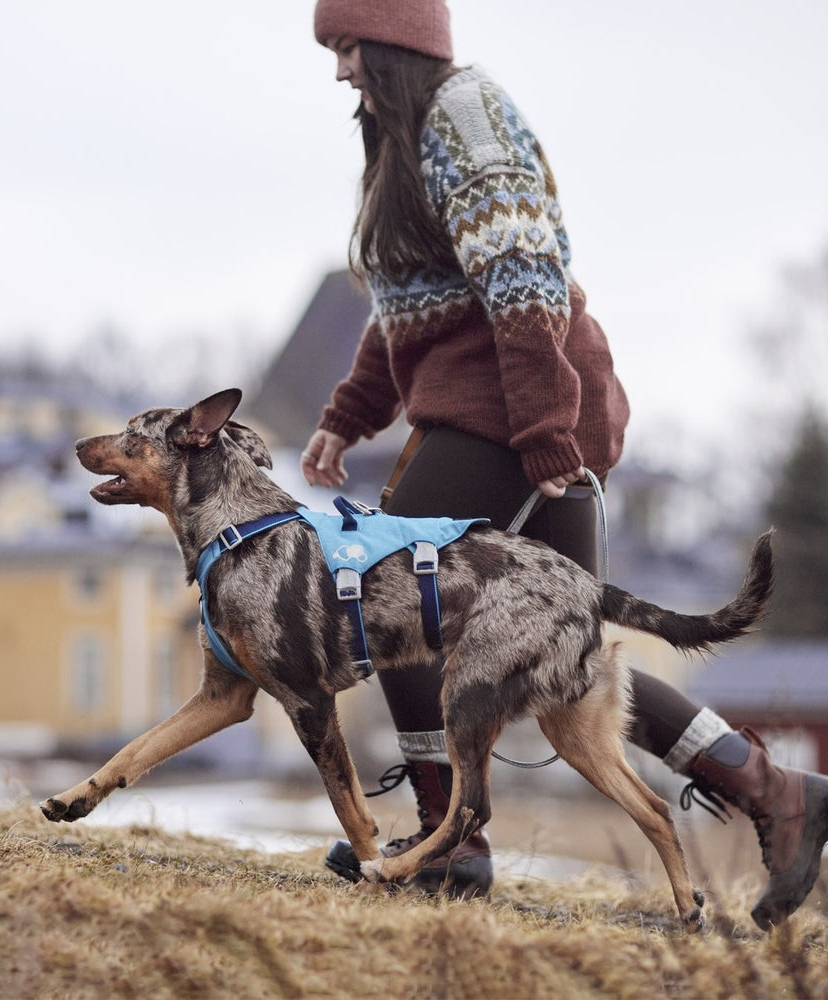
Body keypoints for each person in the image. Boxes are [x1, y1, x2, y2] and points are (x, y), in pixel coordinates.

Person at [300, 0, 828, 930]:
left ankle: (447, 839)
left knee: (391, 587)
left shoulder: (466, 116)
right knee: (571, 663)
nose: (338, 70)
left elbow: (524, 281)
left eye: (346, 46)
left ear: (393, 43)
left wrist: (548, 435)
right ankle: (775, 790)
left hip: (522, 407)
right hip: (507, 407)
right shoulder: (398, 146)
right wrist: (350, 416)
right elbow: (408, 306)